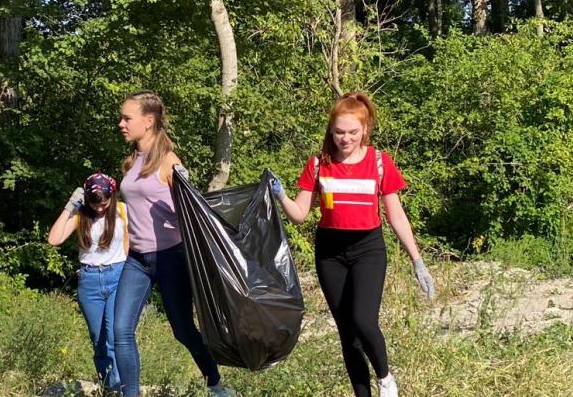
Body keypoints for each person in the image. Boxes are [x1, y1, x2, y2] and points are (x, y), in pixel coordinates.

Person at [272, 92, 436, 397]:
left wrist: (418, 262)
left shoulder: (379, 162)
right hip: (330, 252)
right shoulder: (319, 164)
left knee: (363, 319)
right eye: (338, 132)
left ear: (365, 129)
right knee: (348, 334)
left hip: (368, 249)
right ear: (330, 130)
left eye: (352, 132)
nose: (344, 139)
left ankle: (385, 377)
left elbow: (396, 216)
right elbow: (299, 214)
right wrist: (280, 194)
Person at [113, 90, 234, 397]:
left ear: (148, 121)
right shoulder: (131, 162)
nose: (121, 124)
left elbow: (192, 212)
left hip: (170, 258)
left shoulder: (169, 162)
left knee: (183, 330)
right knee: (120, 330)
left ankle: (216, 385)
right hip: (137, 260)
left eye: (127, 118)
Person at [48, 172, 129, 392]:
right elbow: (54, 239)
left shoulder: (122, 211)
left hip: (118, 276)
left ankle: (122, 388)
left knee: (115, 335)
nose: (100, 208)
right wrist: (69, 206)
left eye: (104, 203)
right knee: (98, 339)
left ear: (112, 197)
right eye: (96, 204)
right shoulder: (81, 215)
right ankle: (108, 386)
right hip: (89, 280)